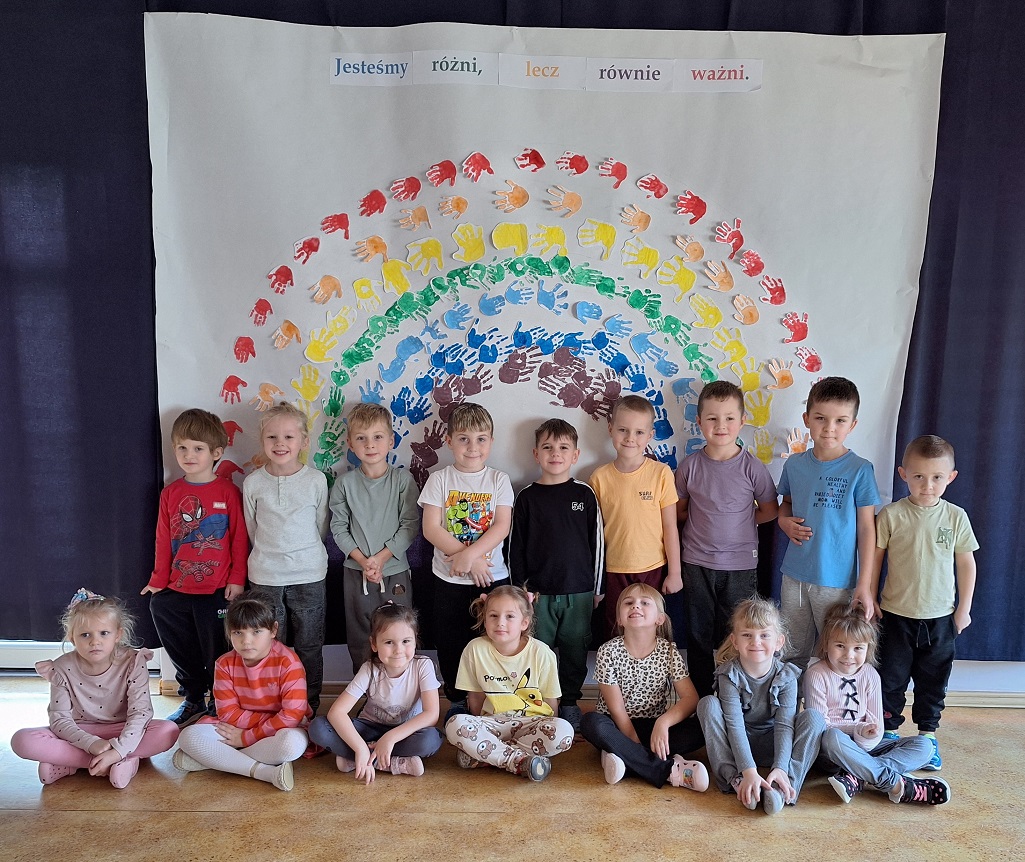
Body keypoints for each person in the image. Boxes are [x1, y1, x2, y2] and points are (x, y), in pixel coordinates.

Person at [872, 435, 979, 771]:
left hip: (940, 618)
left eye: (936, 477)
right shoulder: (891, 515)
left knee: (933, 681)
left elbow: (966, 563)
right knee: (891, 678)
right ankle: (888, 734)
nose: (927, 485)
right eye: (918, 476)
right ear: (903, 474)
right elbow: (875, 561)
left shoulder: (956, 517)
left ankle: (927, 737)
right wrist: (871, 598)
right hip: (895, 615)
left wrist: (963, 609)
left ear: (951, 477)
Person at [142, 407, 248, 725]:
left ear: (216, 452)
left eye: (198, 448)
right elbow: (163, 538)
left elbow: (239, 538)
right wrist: (158, 579)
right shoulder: (170, 493)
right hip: (178, 586)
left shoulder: (229, 492)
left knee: (217, 648)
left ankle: (219, 700)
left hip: (217, 589)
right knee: (160, 609)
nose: (189, 455)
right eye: (182, 448)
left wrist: (237, 579)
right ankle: (193, 697)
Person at [12, 589, 179, 788]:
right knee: (21, 740)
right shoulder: (62, 668)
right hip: (79, 732)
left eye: (104, 633)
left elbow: (141, 713)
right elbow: (60, 720)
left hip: (122, 728)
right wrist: (91, 743)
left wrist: (118, 748)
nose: (95, 641)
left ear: (118, 634)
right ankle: (117, 762)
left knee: (168, 731)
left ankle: (77, 762)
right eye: (85, 635)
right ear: (72, 638)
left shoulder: (133, 662)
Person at [675, 380, 779, 696]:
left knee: (737, 633)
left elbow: (770, 511)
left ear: (742, 420)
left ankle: (733, 695)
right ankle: (702, 699)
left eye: (729, 418)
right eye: (712, 418)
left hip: (740, 565)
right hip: (696, 563)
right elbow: (679, 511)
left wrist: (741, 523)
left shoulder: (753, 468)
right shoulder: (689, 467)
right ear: (699, 421)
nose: (721, 426)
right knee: (698, 633)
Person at [508, 418, 605, 731]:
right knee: (539, 652)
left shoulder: (585, 494)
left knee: (575, 650)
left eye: (563, 447)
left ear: (575, 455)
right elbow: (515, 547)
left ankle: (570, 702)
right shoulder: (526, 497)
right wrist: (520, 592)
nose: (555, 453)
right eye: (548, 447)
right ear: (536, 454)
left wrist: (597, 589)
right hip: (537, 594)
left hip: (579, 592)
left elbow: (598, 543)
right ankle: (540, 703)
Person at [776, 378, 880, 668]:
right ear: (807, 419)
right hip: (795, 576)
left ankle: (829, 700)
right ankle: (791, 699)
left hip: (837, 582)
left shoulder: (860, 469)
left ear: (852, 425)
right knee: (791, 651)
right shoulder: (794, 465)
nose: (829, 428)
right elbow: (785, 505)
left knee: (837, 653)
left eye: (840, 421)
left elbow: (867, 529)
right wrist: (784, 522)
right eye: (820, 418)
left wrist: (864, 585)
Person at [418, 402, 513, 717]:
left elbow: (502, 525)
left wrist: (471, 556)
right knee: (450, 642)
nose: (473, 447)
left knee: (493, 640)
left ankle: (493, 701)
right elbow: (431, 528)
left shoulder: (498, 480)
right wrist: (465, 557)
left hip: (490, 578)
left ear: (491, 442)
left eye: (481, 439)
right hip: (448, 580)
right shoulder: (439, 479)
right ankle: (458, 700)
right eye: (464, 439)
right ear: (449, 441)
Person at [804, 602, 950, 805]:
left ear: (868, 648)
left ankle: (858, 776)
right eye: (840, 646)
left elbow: (876, 726)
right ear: (826, 643)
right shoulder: (816, 674)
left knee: (925, 746)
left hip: (867, 746)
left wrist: (867, 737)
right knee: (833, 737)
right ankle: (895, 784)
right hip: (833, 752)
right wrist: (859, 730)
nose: (849, 655)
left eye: (858, 648)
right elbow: (821, 727)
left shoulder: (870, 674)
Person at [697, 597, 825, 815]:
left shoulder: (787, 676)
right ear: (735, 641)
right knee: (707, 704)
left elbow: (785, 726)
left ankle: (784, 785)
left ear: (779, 642)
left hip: (774, 745)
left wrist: (780, 766)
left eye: (764, 635)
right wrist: (748, 771)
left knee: (814, 718)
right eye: (747, 635)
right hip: (738, 745)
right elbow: (735, 725)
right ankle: (736, 781)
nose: (755, 642)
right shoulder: (729, 675)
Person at [173, 591, 311, 792]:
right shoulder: (224, 664)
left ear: (273, 630)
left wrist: (246, 738)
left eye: (256, 632)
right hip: (240, 727)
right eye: (238, 632)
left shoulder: (288, 662)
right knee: (188, 737)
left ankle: (216, 759)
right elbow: (227, 714)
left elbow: (291, 716)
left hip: (279, 729)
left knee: (290, 745)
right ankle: (265, 772)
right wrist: (247, 733)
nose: (246, 641)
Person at [243, 401, 329, 715]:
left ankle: (308, 706)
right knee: (267, 645)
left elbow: (321, 525)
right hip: (265, 576)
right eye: (272, 437)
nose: (280, 444)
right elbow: (252, 528)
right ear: (262, 440)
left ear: (304, 441)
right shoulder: (253, 483)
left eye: (289, 437)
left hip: (309, 574)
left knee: (309, 645)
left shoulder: (316, 480)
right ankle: (272, 704)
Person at [580, 583, 708, 791]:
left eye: (645, 603)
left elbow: (691, 698)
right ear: (620, 619)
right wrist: (633, 742)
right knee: (590, 722)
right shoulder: (607, 651)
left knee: (703, 726)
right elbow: (616, 709)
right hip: (616, 726)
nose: (635, 606)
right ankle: (665, 769)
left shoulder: (668, 651)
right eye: (628, 603)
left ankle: (622, 758)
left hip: (653, 726)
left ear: (660, 619)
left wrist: (663, 723)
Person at [445, 585, 574, 781]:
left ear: (524, 622)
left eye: (510, 616)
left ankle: (487, 755)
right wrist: (480, 729)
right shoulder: (474, 649)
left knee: (564, 732)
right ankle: (520, 761)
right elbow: (475, 697)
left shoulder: (542, 653)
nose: (500, 623)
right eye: (493, 616)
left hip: (532, 722)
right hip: (492, 723)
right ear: (485, 619)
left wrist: (551, 726)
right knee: (454, 724)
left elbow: (551, 700)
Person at [330, 403, 419, 674]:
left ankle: (400, 689)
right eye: (361, 438)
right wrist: (364, 561)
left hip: (394, 570)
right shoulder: (344, 484)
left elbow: (410, 525)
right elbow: (338, 528)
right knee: (361, 635)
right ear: (350, 443)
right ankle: (368, 691)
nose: (370, 445)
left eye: (377, 437)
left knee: (399, 632)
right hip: (356, 572)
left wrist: (380, 559)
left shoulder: (402, 480)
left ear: (391, 441)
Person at [309, 604, 443, 781]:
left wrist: (390, 738)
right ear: (374, 644)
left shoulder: (423, 665)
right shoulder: (369, 669)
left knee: (431, 740)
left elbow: (431, 715)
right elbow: (337, 712)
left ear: (415, 639)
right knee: (318, 728)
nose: (398, 650)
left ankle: (358, 760)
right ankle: (388, 761)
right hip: (369, 728)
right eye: (389, 642)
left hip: (405, 733)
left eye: (406, 641)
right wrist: (360, 748)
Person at [589, 394, 681, 639]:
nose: (630, 438)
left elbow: (670, 526)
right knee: (616, 627)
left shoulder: (661, 473)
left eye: (639, 432)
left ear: (650, 435)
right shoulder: (599, 478)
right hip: (613, 568)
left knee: (652, 627)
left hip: (653, 567)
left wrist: (675, 573)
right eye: (623, 430)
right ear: (610, 429)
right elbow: (594, 534)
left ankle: (652, 665)